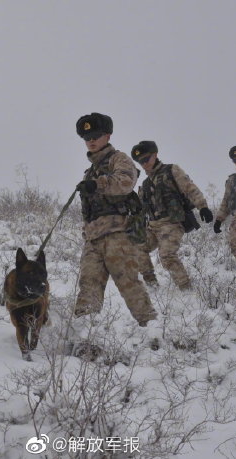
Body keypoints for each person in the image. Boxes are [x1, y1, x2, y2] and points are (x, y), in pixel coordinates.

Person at [73, 113, 157, 327]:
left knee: (129, 284)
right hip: (93, 238)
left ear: (108, 136)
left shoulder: (118, 159)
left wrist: (97, 184)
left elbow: (126, 181)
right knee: (88, 284)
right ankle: (85, 333)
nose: (91, 140)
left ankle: (151, 329)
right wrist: (87, 234)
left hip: (117, 235)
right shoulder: (89, 171)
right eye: (87, 137)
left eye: (96, 135)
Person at [131, 140, 212, 290]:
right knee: (137, 248)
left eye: (146, 159)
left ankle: (186, 288)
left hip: (172, 223)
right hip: (153, 226)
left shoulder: (171, 170)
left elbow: (189, 187)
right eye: (140, 162)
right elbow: (141, 209)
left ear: (155, 155)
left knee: (167, 255)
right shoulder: (146, 184)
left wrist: (202, 207)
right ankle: (152, 285)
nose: (144, 164)